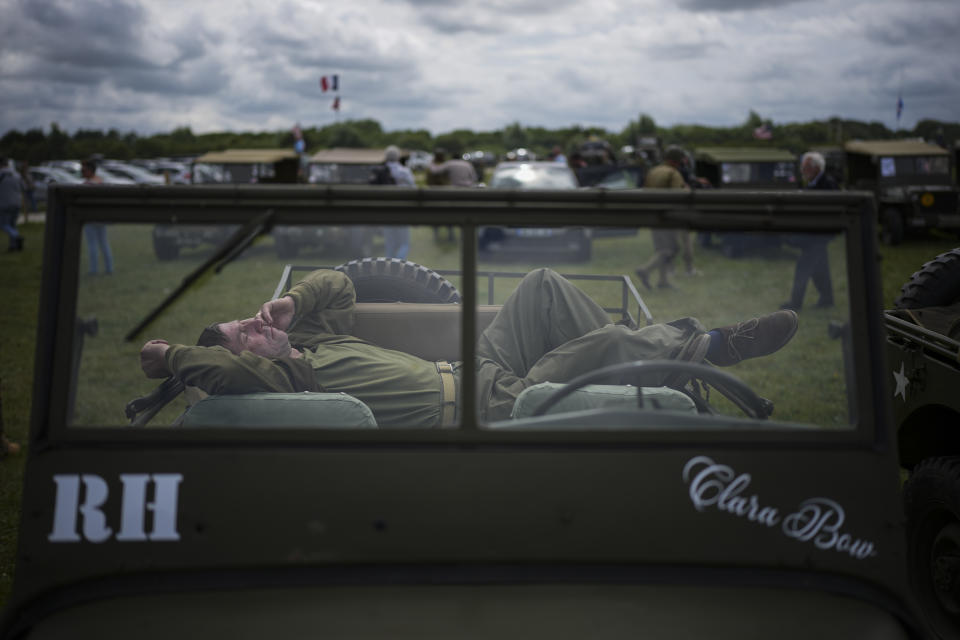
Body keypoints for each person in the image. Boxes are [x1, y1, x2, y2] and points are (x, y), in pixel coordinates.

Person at [140, 268, 799, 427]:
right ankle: (711, 347)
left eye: (247, 321)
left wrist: (293, 302)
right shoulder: (293, 385)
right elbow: (225, 377)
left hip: (479, 366)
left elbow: (339, 286)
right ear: (245, 361)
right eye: (244, 338)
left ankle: (654, 370)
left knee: (541, 286)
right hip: (496, 407)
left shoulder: (310, 344)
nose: (254, 329)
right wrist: (173, 359)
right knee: (610, 340)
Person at [781, 152, 837, 311]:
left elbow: (829, 212)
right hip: (814, 234)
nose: (802, 171)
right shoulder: (813, 183)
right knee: (820, 268)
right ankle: (827, 298)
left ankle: (795, 304)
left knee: (803, 267)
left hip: (818, 235)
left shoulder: (828, 185)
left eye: (805, 168)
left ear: (816, 168)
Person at [634, 146, 696, 289]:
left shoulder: (653, 171)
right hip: (666, 217)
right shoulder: (673, 173)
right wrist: (687, 190)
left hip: (652, 215)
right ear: (677, 161)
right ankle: (645, 270)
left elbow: (645, 190)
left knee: (661, 249)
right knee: (671, 249)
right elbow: (677, 196)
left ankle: (663, 281)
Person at [427, 148, 478, 241]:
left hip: (455, 192)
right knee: (466, 215)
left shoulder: (450, 163)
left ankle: (450, 236)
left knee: (451, 215)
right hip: (468, 192)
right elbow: (474, 178)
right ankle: (465, 236)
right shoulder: (467, 164)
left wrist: (431, 163)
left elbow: (435, 171)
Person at [378, 145, 415, 260]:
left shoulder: (380, 172)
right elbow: (413, 189)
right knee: (405, 243)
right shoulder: (404, 171)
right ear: (398, 157)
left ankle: (389, 267)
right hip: (402, 211)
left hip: (385, 211)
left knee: (390, 245)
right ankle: (399, 264)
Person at [81, 160, 114, 275]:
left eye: (84, 170)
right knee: (104, 243)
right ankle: (109, 268)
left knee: (92, 245)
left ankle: (94, 270)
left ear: (90, 170)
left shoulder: (87, 184)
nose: (82, 172)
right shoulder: (100, 181)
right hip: (101, 217)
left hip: (91, 217)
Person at [0, 156, 25, 252]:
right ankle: (14, 246)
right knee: (13, 225)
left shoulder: (1, 174)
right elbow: (23, 187)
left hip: (4, 203)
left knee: (3, 224)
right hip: (17, 202)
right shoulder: (16, 174)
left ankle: (16, 236)